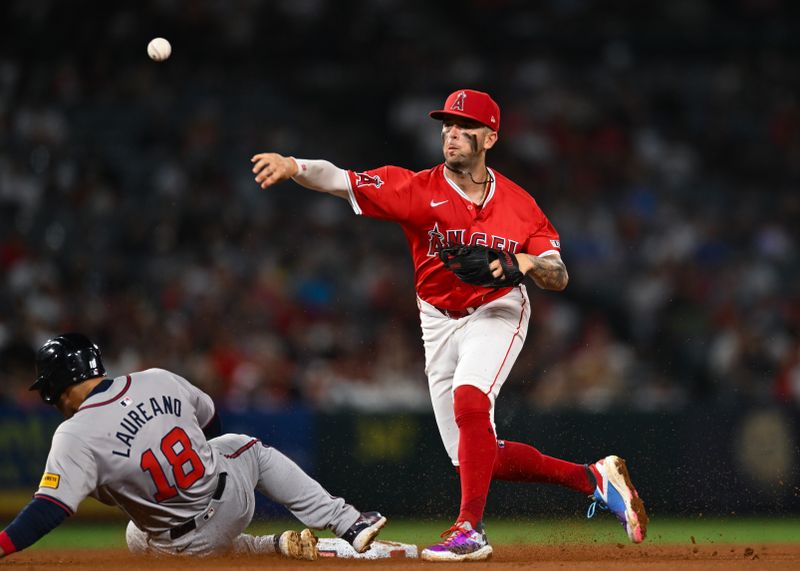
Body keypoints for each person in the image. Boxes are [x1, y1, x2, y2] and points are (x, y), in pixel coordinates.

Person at [249, 89, 648, 562]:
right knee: (475, 456)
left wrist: (521, 262)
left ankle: (469, 530)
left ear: (490, 137)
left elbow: (558, 275)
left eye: (465, 127)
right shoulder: (417, 189)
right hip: (437, 320)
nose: (452, 134)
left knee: (470, 398)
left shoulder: (520, 205)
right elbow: (341, 179)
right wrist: (293, 165)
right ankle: (594, 478)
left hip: (497, 310)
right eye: (447, 126)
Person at [0, 333, 386, 560]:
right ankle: (346, 522)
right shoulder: (156, 378)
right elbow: (210, 420)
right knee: (244, 446)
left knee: (136, 534)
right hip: (229, 502)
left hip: (179, 547)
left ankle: (267, 546)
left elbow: (47, 509)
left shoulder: (75, 434)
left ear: (56, 386)